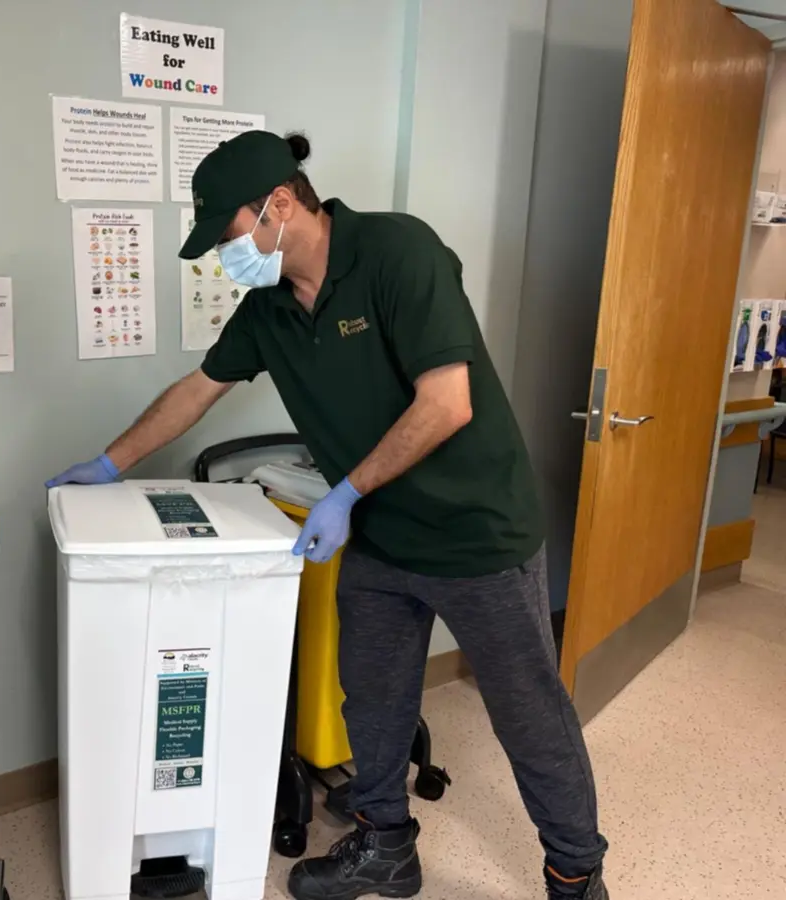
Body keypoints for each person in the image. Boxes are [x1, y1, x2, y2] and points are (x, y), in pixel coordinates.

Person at [46, 130, 609, 900]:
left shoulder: (398, 253)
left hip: (478, 532)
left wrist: (343, 492)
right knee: (371, 705)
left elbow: (447, 403)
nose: (224, 254)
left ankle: (575, 871)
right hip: (382, 535)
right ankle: (385, 845)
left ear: (279, 205)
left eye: (228, 234)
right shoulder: (269, 308)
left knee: (528, 713)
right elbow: (197, 389)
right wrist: (111, 463)